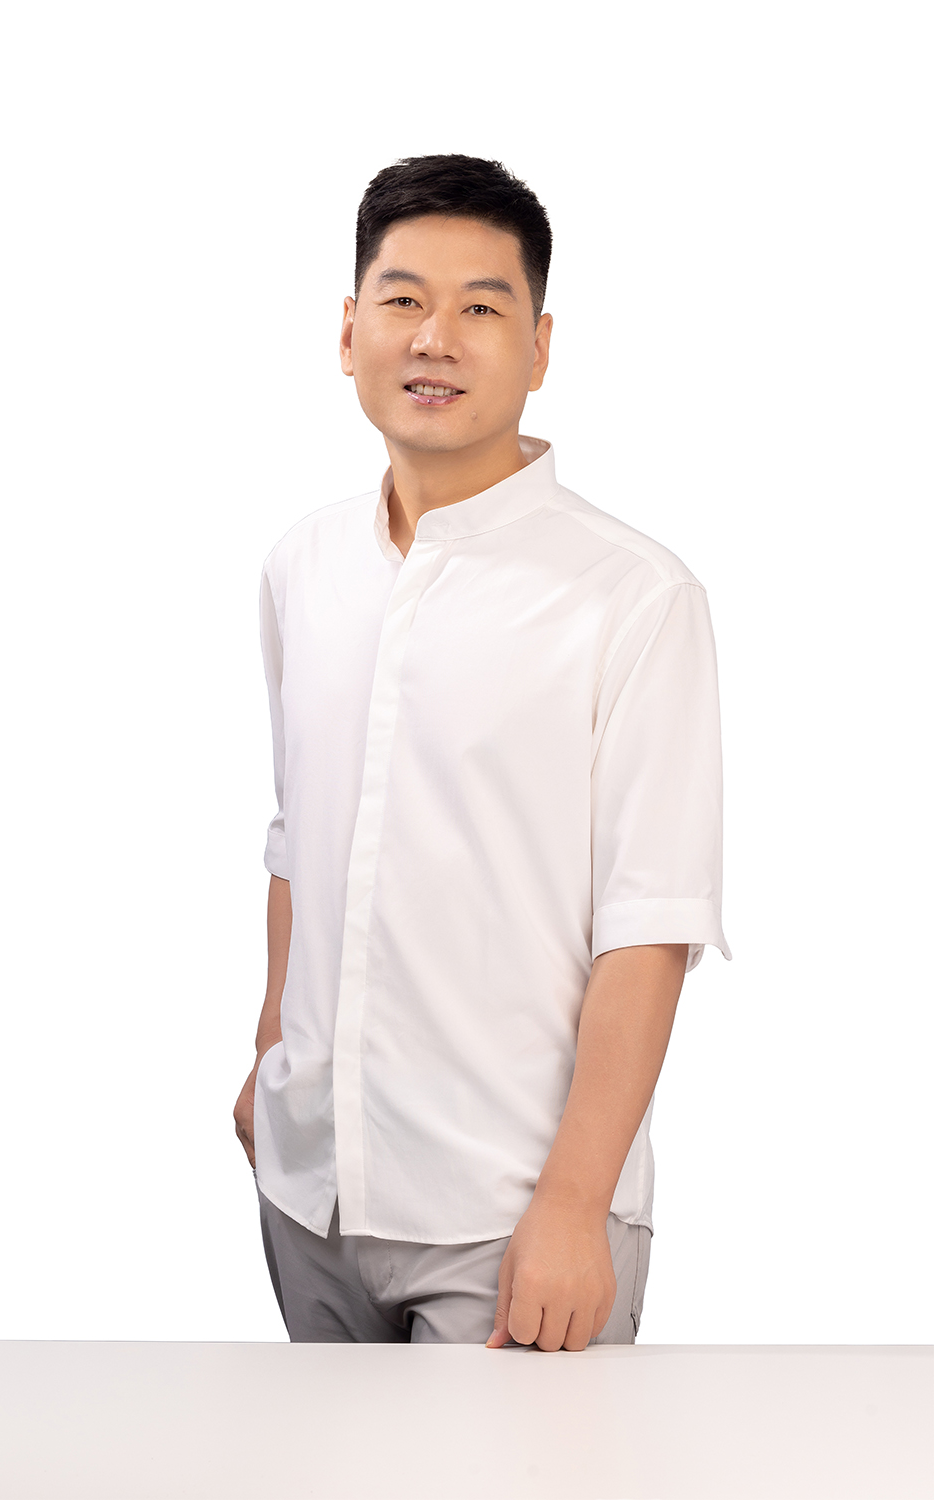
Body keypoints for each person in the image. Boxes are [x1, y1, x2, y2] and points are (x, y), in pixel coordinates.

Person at [233, 154, 730, 1352]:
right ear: (347, 331)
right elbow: (301, 839)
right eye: (403, 300)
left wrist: (573, 1203)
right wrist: (267, 1054)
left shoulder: (632, 596)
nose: (434, 338)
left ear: (539, 346)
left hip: (511, 1218)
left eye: (481, 307)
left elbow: (650, 927)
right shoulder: (303, 566)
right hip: (310, 1192)